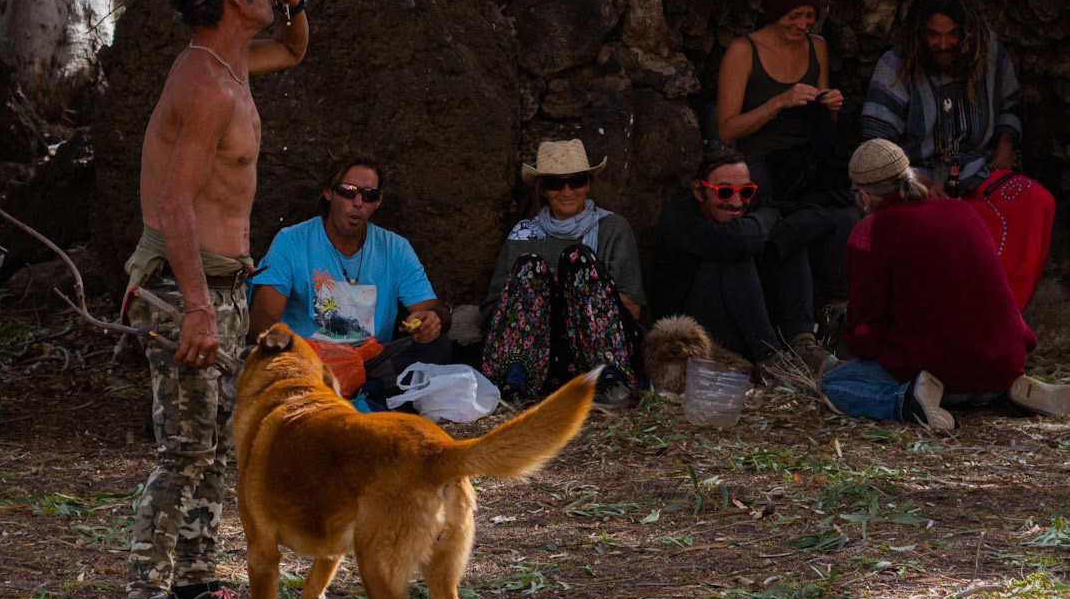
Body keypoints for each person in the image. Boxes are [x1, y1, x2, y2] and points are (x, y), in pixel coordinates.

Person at [116, 0, 309, 599]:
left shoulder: (230, 66)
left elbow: (291, 48)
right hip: (183, 286)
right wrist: (196, 307)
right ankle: (143, 597)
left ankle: (195, 584)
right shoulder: (202, 84)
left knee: (218, 442)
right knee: (185, 447)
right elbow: (174, 204)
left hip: (224, 284)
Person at [821, 139, 1070, 433]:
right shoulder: (961, 211)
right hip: (1005, 363)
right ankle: (1009, 391)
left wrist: (850, 348)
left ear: (863, 196)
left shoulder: (870, 231)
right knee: (970, 363)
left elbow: (867, 335)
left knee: (832, 384)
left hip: (938, 375)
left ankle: (906, 400)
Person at [861, 0, 1055, 310]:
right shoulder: (895, 65)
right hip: (919, 179)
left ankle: (1005, 315)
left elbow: (1011, 105)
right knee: (945, 231)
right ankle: (956, 323)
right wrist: (917, 180)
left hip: (979, 171)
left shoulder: (990, 51)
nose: (944, 44)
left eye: (953, 34)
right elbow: (875, 145)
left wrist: (1005, 147)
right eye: (933, 34)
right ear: (918, 32)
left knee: (1038, 202)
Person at [249, 154, 449, 409]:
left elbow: (433, 308)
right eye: (348, 191)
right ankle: (354, 394)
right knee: (271, 359)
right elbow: (260, 326)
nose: (357, 203)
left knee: (439, 345)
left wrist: (432, 321)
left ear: (378, 202)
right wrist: (305, 356)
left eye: (368, 195)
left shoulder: (395, 248)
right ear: (328, 193)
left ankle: (353, 392)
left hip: (369, 363)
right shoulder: (292, 241)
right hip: (308, 363)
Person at [716, 0, 857, 309]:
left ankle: (836, 311)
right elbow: (726, 129)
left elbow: (824, 127)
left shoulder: (817, 47)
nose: (802, 24)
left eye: (809, 16)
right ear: (775, 10)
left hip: (807, 160)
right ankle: (794, 316)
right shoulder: (743, 51)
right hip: (761, 161)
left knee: (847, 216)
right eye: (794, 15)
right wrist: (778, 102)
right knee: (789, 220)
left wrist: (832, 108)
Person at [480, 139, 643, 410]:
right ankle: (516, 380)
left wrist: (577, 292)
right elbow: (494, 306)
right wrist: (539, 294)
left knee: (578, 261)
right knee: (530, 267)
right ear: (543, 189)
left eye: (576, 181)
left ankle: (607, 377)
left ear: (588, 184)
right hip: (534, 344)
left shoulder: (613, 228)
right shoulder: (523, 233)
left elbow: (633, 308)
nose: (566, 191)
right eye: (555, 184)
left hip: (589, 341)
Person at [648, 144, 828, 383]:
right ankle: (772, 360)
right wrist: (770, 216)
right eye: (724, 192)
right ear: (699, 192)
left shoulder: (748, 204)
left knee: (791, 238)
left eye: (746, 191)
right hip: (695, 335)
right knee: (732, 253)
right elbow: (738, 241)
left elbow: (820, 217)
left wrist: (774, 237)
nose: (736, 202)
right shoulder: (678, 218)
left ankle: (803, 343)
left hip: (747, 318)